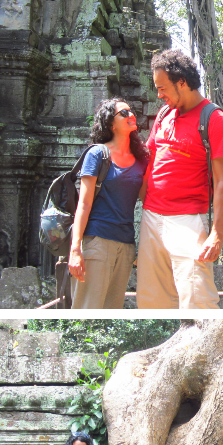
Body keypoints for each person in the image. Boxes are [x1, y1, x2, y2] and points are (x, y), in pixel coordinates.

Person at [138, 48, 223, 309]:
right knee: (151, 300)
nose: (159, 95)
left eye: (162, 88)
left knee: (197, 298)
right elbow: (150, 162)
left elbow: (222, 181)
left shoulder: (214, 118)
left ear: (182, 82)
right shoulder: (163, 114)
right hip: (151, 216)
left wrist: (217, 234)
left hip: (188, 219)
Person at [67, 98, 149, 308]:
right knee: (88, 309)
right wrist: (75, 249)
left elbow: (148, 200)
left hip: (126, 245)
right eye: (123, 113)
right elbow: (83, 205)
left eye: (130, 111)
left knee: (112, 309)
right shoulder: (97, 154)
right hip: (97, 242)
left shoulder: (141, 160)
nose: (131, 115)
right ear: (110, 124)